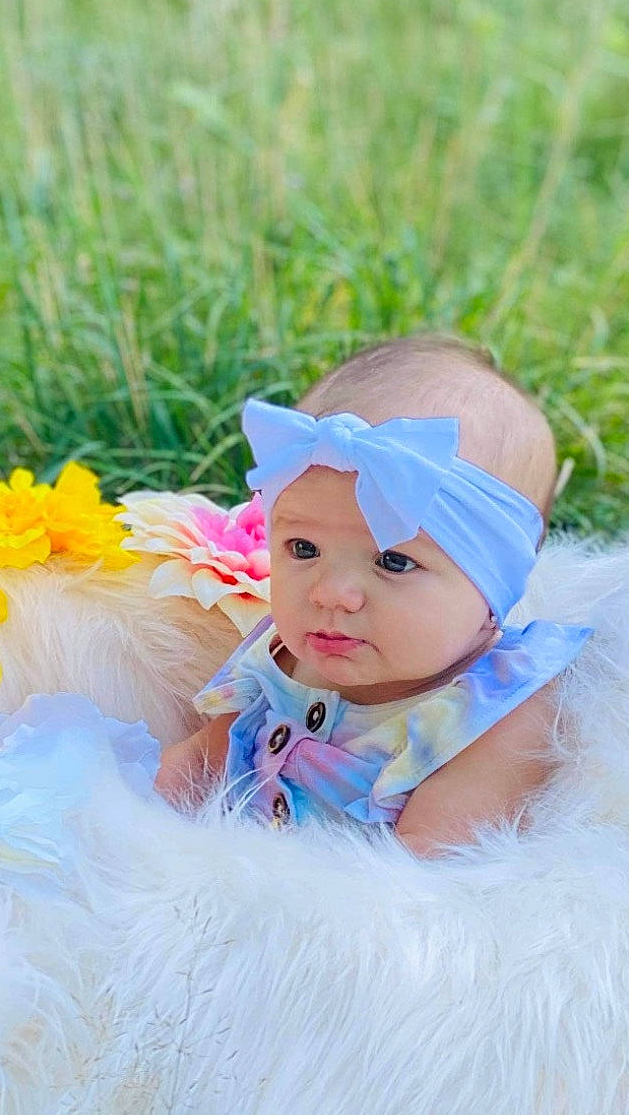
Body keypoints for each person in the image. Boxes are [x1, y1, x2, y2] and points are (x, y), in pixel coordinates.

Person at [156, 335, 591, 856]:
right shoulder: (286, 656)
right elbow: (201, 765)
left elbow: (418, 887)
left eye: (393, 561)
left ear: (491, 594)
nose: (332, 593)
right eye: (303, 547)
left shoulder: (488, 716)